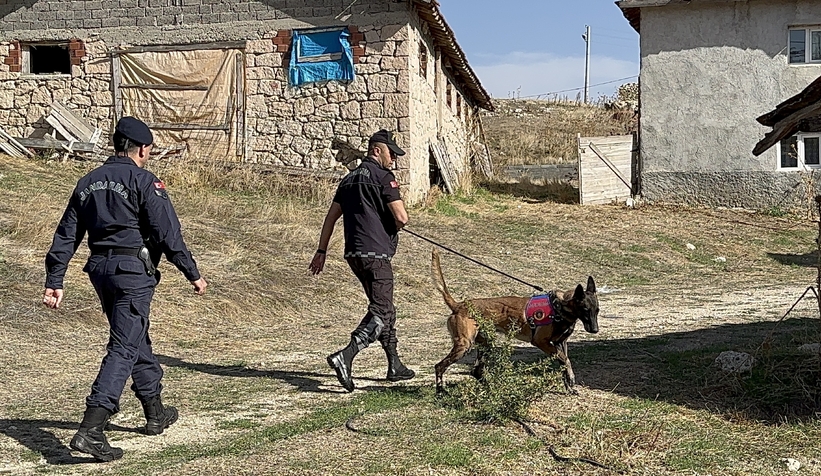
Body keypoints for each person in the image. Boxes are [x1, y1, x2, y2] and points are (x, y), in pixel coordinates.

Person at [42, 117, 208, 462]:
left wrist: (55, 279)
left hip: (100, 271)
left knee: (132, 336)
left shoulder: (87, 182)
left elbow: (67, 234)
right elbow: (168, 233)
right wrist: (192, 273)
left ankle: (155, 411)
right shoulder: (144, 180)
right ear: (143, 149)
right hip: (132, 271)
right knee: (123, 345)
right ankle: (92, 428)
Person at [309, 129, 415, 392]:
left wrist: (321, 251)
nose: (394, 159)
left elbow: (330, 218)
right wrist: (395, 224)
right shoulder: (383, 177)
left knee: (385, 307)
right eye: (391, 154)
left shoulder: (348, 180)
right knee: (381, 310)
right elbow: (402, 217)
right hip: (376, 254)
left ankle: (395, 365)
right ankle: (346, 355)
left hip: (354, 254)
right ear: (377, 150)